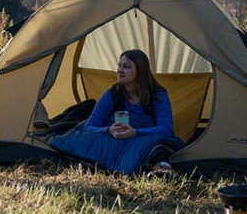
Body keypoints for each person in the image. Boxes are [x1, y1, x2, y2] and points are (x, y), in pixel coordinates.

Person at [49, 49, 184, 177]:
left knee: (149, 145)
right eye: (119, 66)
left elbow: (165, 129)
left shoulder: (157, 95)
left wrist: (135, 132)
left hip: (144, 137)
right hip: (116, 138)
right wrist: (109, 130)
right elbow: (90, 126)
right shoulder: (113, 94)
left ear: (140, 71)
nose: (120, 70)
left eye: (126, 66)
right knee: (87, 138)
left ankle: (163, 169)